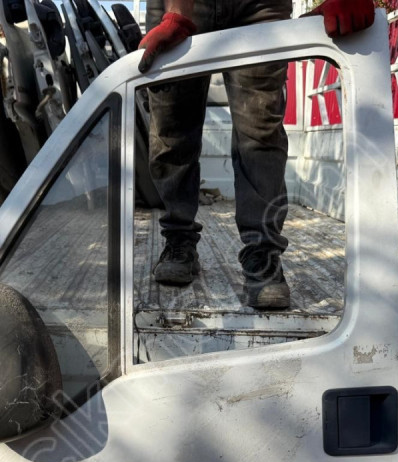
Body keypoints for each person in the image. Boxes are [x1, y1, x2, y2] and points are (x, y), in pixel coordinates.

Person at [138, 0, 376, 309]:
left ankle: (262, 254)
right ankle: (178, 240)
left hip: (259, 5)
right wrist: (178, 14)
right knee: (172, 127)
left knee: (260, 130)